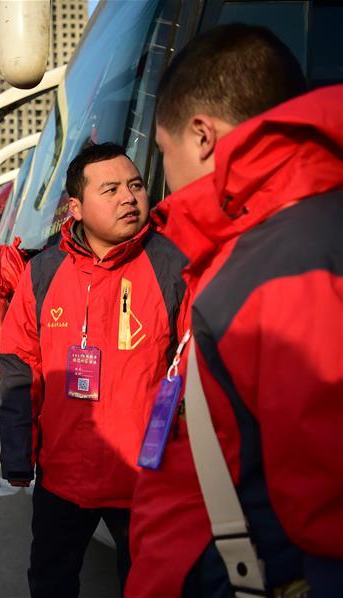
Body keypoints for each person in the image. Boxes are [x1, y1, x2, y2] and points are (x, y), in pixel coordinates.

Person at [127, 25, 343, 596]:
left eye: (162, 153)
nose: (159, 185)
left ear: (202, 136)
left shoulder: (285, 267)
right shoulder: (266, 246)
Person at [0, 142, 187, 597]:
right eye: (111, 189)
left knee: (151, 587)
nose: (129, 197)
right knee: (50, 583)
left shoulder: (174, 265)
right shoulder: (43, 271)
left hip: (145, 478)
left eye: (136, 185)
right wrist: (18, 452)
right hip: (63, 475)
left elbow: (194, 368)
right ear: (77, 208)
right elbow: (21, 366)